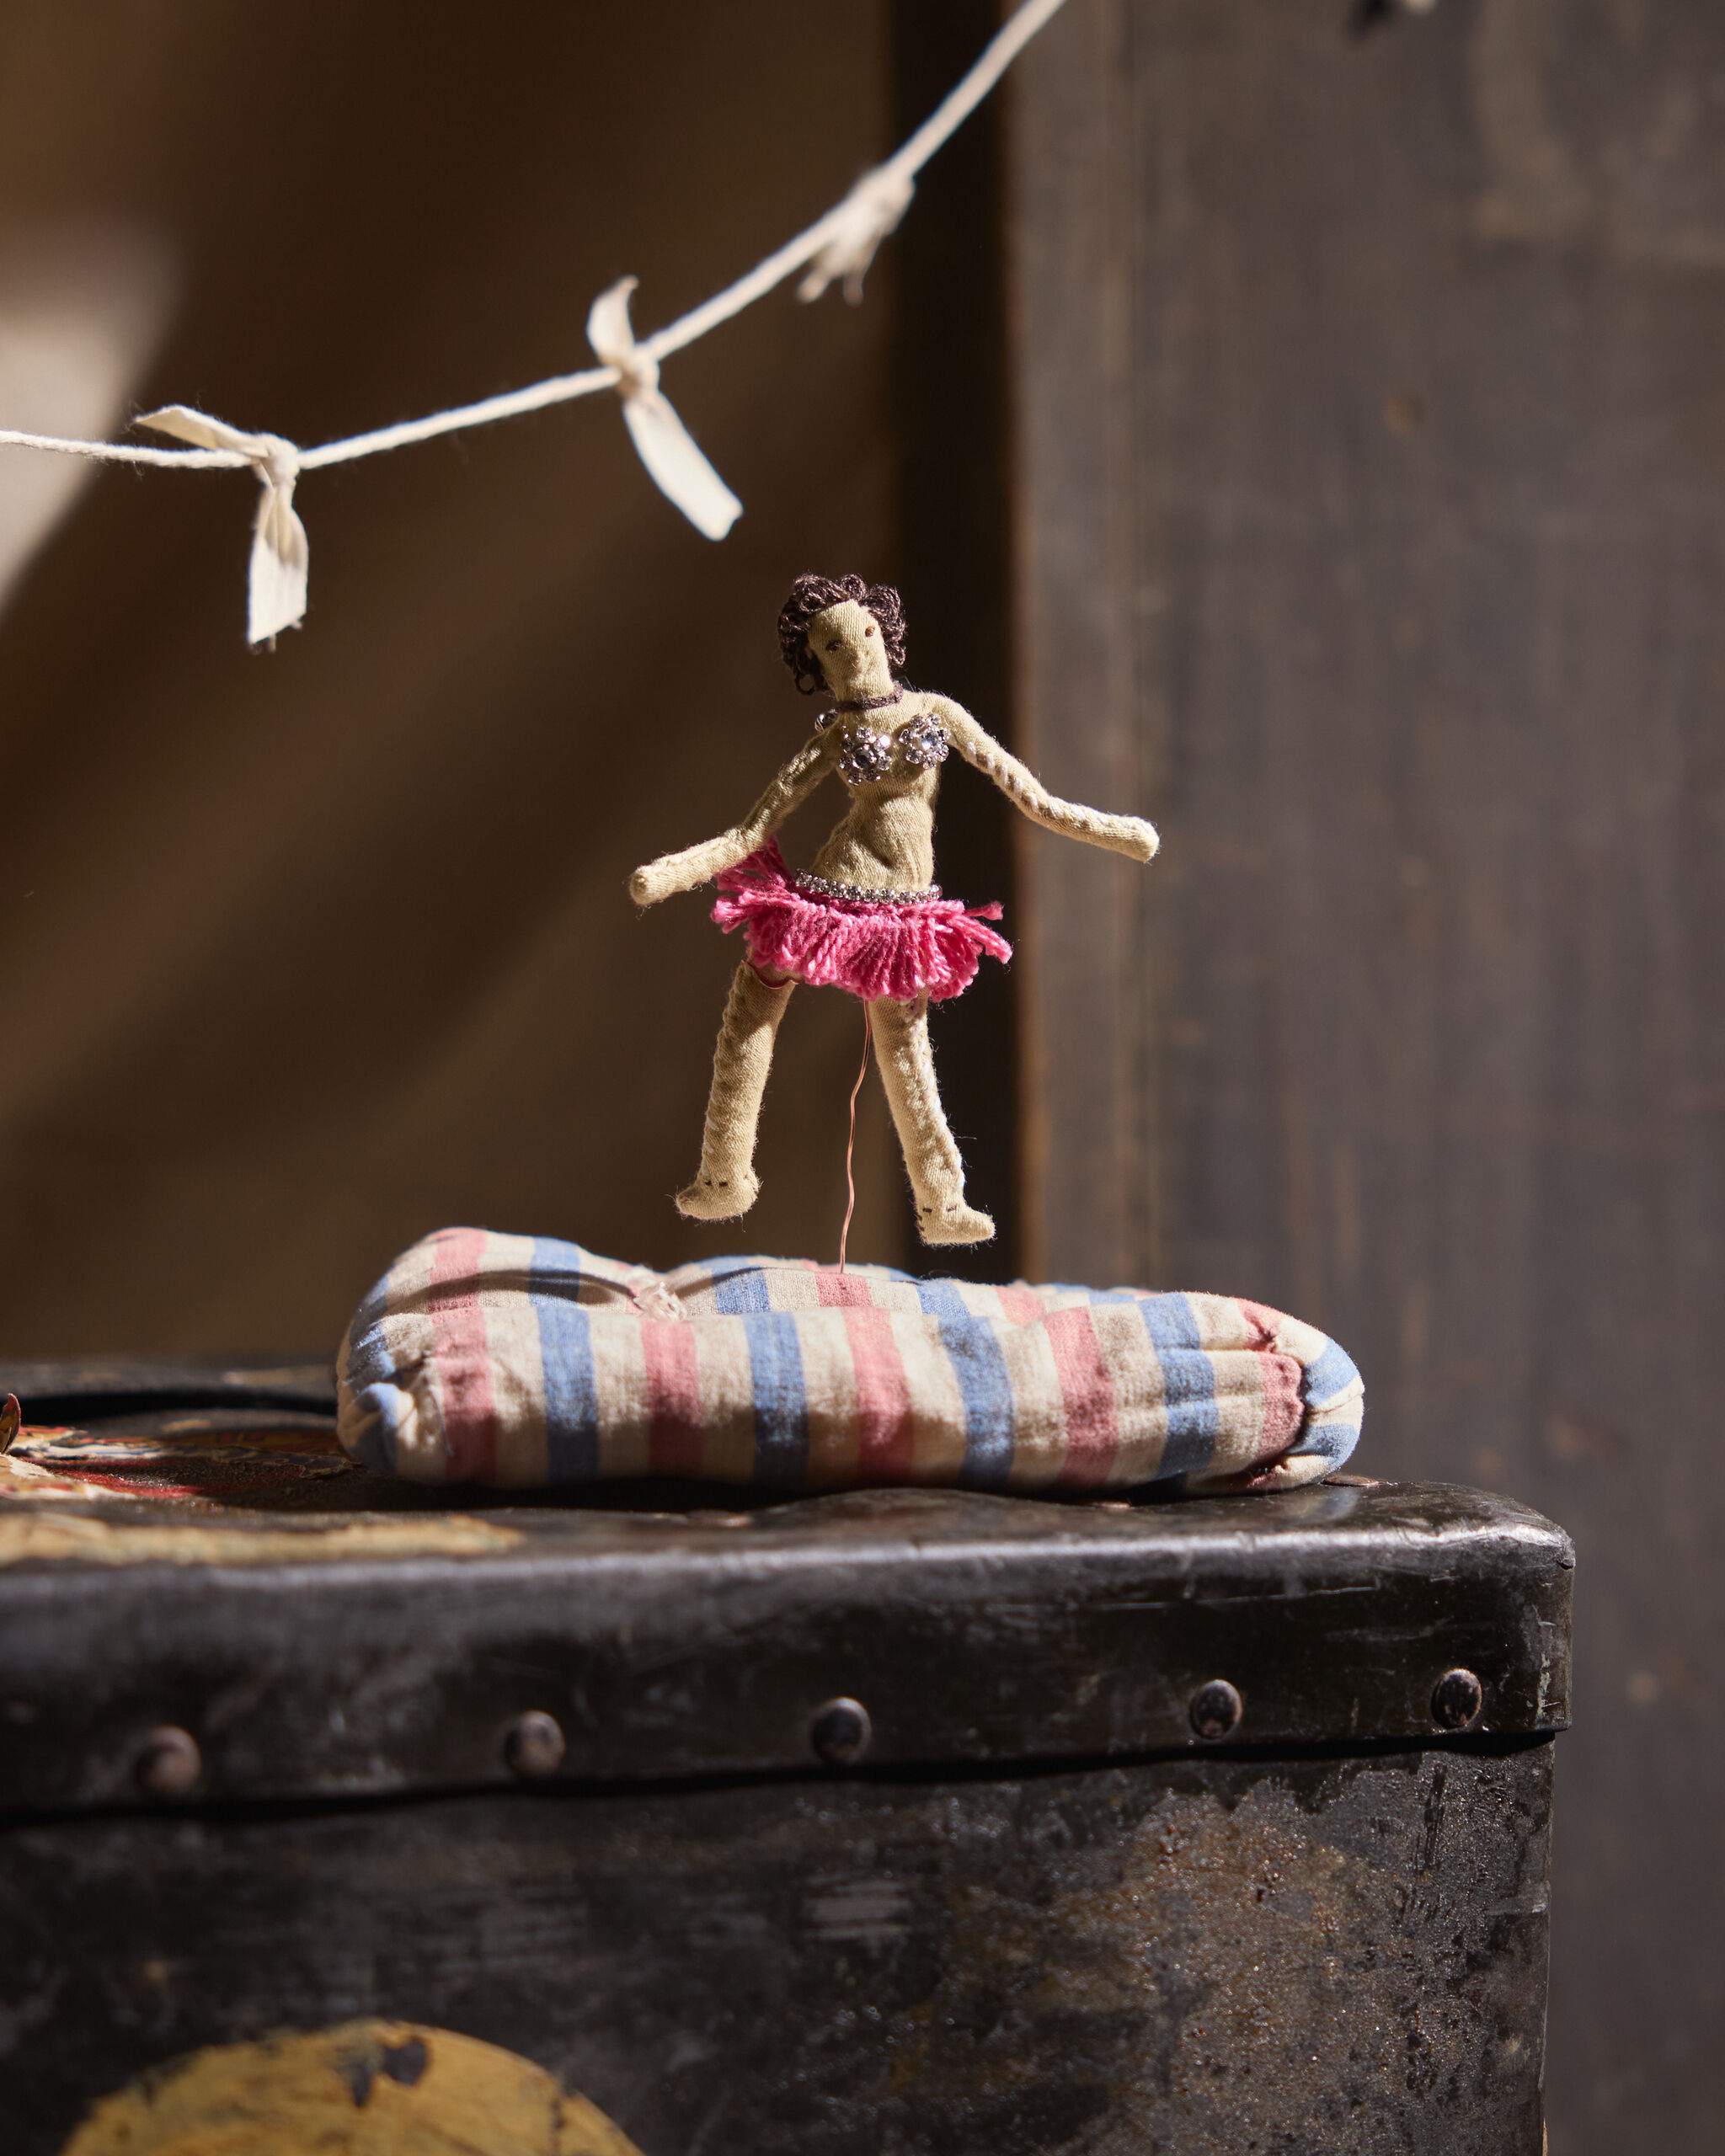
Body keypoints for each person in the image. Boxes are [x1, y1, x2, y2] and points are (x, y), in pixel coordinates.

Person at [631, 574, 1159, 1245]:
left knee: (905, 1047)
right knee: (753, 1006)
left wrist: (1116, 832)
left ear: (886, 635)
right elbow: (749, 833)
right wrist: (671, 874)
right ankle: (723, 1175)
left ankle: (943, 1205)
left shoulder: (937, 712)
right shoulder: (831, 736)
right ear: (815, 665)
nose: (855, 656)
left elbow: (1030, 795)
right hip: (824, 895)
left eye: (865, 638)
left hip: (901, 912)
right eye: (833, 649)